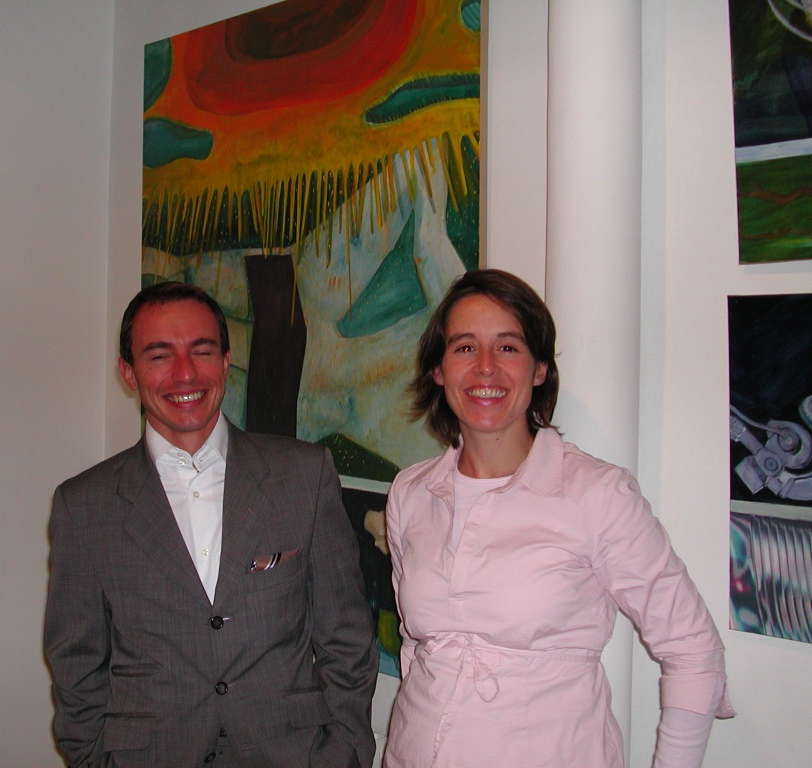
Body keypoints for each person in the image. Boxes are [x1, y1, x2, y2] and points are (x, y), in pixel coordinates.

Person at [383, 270, 734, 768]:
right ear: (438, 370)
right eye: (465, 347)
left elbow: (694, 652)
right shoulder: (411, 492)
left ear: (539, 370)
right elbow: (415, 645)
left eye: (508, 347)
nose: (485, 367)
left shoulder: (597, 494)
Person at [44, 280, 378, 768]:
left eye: (201, 351)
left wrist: (344, 751)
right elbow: (76, 664)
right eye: (159, 356)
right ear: (129, 373)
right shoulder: (84, 505)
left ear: (225, 361)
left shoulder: (304, 476)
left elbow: (346, 636)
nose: (184, 373)